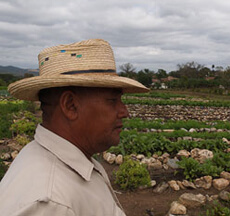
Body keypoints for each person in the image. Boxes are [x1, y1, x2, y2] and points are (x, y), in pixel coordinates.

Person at [0, 39, 149, 216]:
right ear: (70, 106)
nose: (124, 112)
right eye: (113, 101)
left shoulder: (62, 162)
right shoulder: (50, 204)